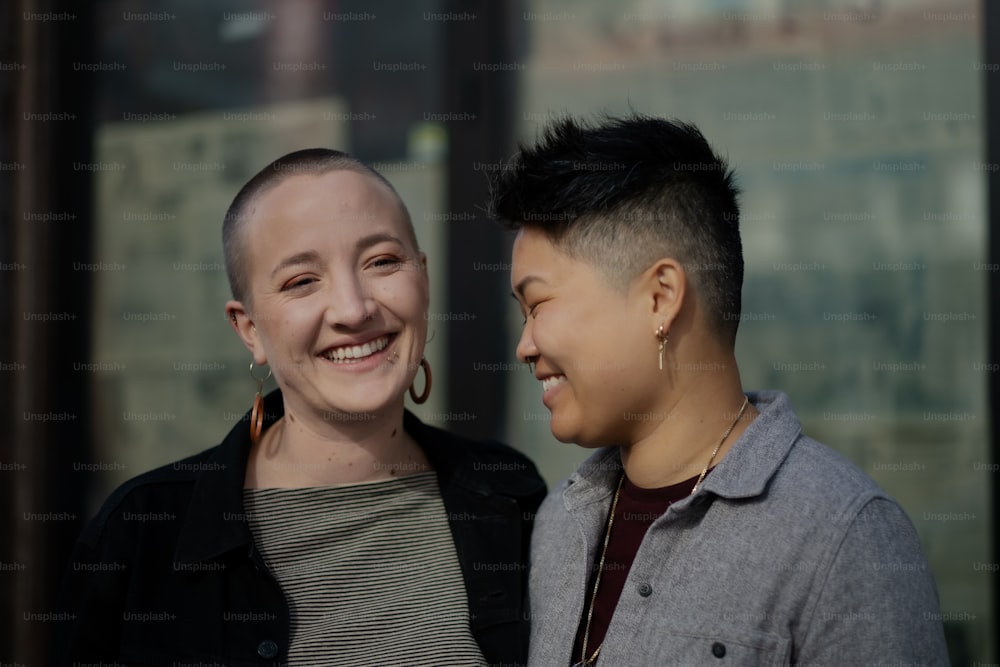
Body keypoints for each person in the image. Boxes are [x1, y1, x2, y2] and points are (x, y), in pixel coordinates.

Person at [54, 148, 546, 666]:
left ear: (422, 279)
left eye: (381, 261)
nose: (354, 310)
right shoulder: (142, 537)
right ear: (249, 330)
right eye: (301, 282)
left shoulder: (510, 496)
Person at [489, 115, 949, 666]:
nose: (525, 345)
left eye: (538, 305)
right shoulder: (561, 522)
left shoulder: (842, 534)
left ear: (660, 297)